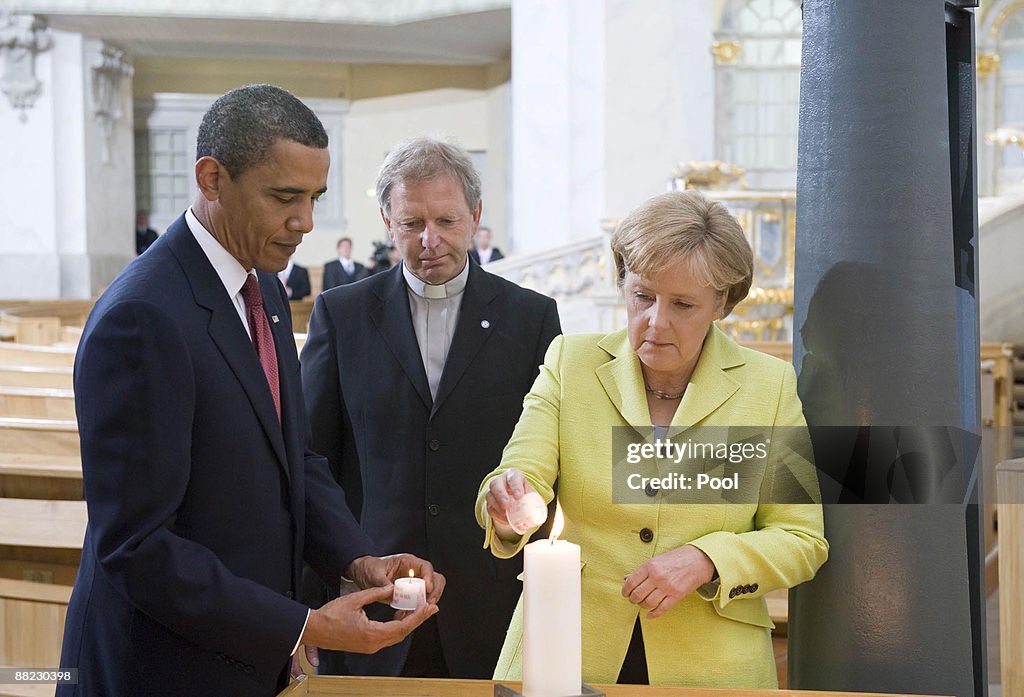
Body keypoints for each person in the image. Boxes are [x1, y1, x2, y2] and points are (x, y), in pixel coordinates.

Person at [58, 85, 444, 697]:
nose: (306, 222)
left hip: (239, 655)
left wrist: (356, 559)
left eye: (314, 198)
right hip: (159, 668)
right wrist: (303, 625)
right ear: (212, 179)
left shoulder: (259, 289)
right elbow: (135, 546)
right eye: (284, 197)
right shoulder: (144, 316)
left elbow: (295, 459)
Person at [477, 190, 828, 688]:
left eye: (683, 304)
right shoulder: (569, 363)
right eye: (642, 295)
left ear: (721, 302)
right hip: (564, 655)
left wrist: (708, 559)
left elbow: (801, 539)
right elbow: (520, 473)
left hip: (711, 670)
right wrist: (510, 502)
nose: (655, 322)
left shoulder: (768, 386)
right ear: (622, 281)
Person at [301, 136, 561, 679]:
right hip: (374, 590)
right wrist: (319, 593)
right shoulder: (342, 313)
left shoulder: (530, 318)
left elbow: (548, 453)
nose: (429, 240)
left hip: (489, 591)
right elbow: (312, 458)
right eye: (411, 222)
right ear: (386, 219)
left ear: (475, 215)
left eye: (446, 220)